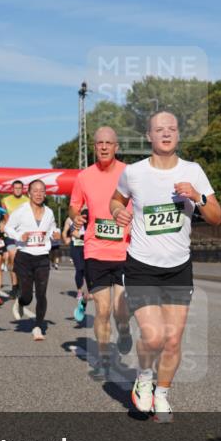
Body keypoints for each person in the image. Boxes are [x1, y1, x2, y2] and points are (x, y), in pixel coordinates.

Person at [111, 112, 221, 422]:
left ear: (178, 134)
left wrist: (198, 197)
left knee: (173, 340)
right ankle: (143, 378)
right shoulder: (133, 173)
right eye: (159, 129)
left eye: (172, 128)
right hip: (142, 266)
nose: (166, 133)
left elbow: (216, 217)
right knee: (155, 336)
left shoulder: (193, 171)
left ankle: (162, 394)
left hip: (178, 266)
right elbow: (115, 201)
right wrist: (119, 211)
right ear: (149, 135)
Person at [70, 126, 134, 381]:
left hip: (125, 251)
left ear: (116, 147)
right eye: (99, 143)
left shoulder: (129, 174)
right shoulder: (84, 176)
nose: (104, 147)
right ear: (94, 147)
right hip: (95, 250)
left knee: (121, 310)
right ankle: (105, 357)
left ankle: (125, 329)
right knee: (103, 309)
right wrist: (76, 218)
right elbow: (74, 206)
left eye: (109, 143)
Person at [5, 179, 60, 341]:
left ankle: (38, 326)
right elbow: (8, 227)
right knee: (28, 296)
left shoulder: (49, 212)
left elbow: (52, 229)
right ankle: (21, 302)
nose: (38, 194)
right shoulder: (21, 210)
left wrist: (55, 234)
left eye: (42, 191)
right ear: (29, 193)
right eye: (35, 191)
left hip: (42, 256)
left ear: (45, 193)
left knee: (42, 294)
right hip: (24, 256)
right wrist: (18, 236)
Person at [0, 180, 29, 297]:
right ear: (12, 189)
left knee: (23, 261)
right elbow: (6, 218)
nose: (17, 190)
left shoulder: (28, 201)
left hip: (24, 235)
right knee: (12, 257)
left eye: (19, 188)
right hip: (11, 234)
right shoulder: (5, 200)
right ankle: (15, 286)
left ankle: (22, 285)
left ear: (23, 189)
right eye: (15, 188)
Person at [61, 210, 89, 322]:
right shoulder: (70, 219)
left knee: (88, 271)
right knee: (80, 269)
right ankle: (79, 291)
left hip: (89, 246)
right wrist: (66, 238)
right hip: (76, 246)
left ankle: (86, 295)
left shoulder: (91, 216)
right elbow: (66, 232)